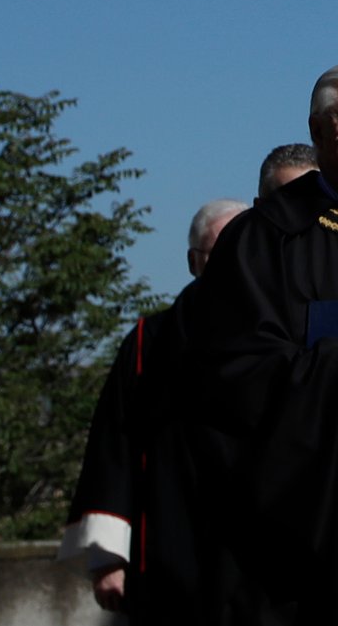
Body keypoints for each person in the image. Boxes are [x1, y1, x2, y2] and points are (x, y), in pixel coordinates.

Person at [191, 59, 338, 626]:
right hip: (299, 519)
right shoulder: (262, 237)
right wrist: (334, 364)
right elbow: (225, 367)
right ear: (317, 131)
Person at [58, 197, 245, 621]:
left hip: (257, 556)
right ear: (194, 262)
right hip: (167, 549)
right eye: (219, 253)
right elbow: (114, 446)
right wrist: (107, 557)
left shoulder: (283, 337)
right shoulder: (148, 342)